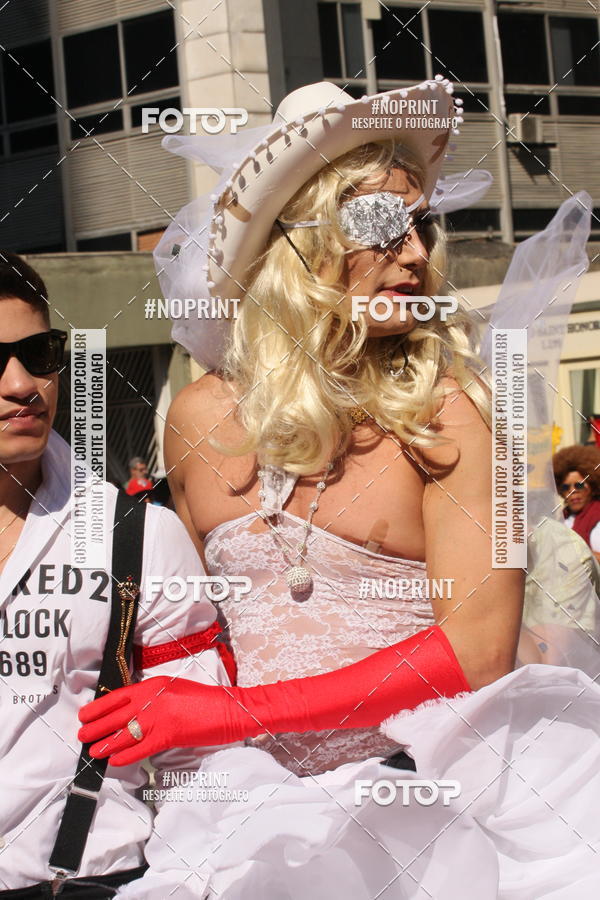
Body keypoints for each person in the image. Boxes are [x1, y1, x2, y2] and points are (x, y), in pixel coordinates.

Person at [79, 82, 600, 899]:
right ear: (299, 242)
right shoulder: (195, 418)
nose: (418, 254)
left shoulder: (459, 416)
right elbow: (202, 627)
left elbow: (476, 651)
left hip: (435, 809)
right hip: (256, 820)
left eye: (423, 226)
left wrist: (233, 714)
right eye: (385, 225)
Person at [0, 252, 232, 897]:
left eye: (38, 354)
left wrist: (187, 881)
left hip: (89, 878)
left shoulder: (137, 533)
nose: (22, 384)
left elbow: (200, 754)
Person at [553, 444, 600, 561]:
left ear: (592, 486)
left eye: (579, 485)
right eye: (565, 487)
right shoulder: (560, 520)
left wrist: (585, 555)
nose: (572, 491)